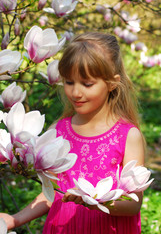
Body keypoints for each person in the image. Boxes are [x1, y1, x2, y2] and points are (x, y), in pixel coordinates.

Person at [0, 32, 145, 234]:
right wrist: (14, 219)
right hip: (63, 228)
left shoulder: (127, 135)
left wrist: (96, 203)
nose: (76, 92)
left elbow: (133, 204)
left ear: (112, 83)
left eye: (87, 84)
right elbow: (50, 194)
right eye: (69, 82)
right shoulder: (58, 131)